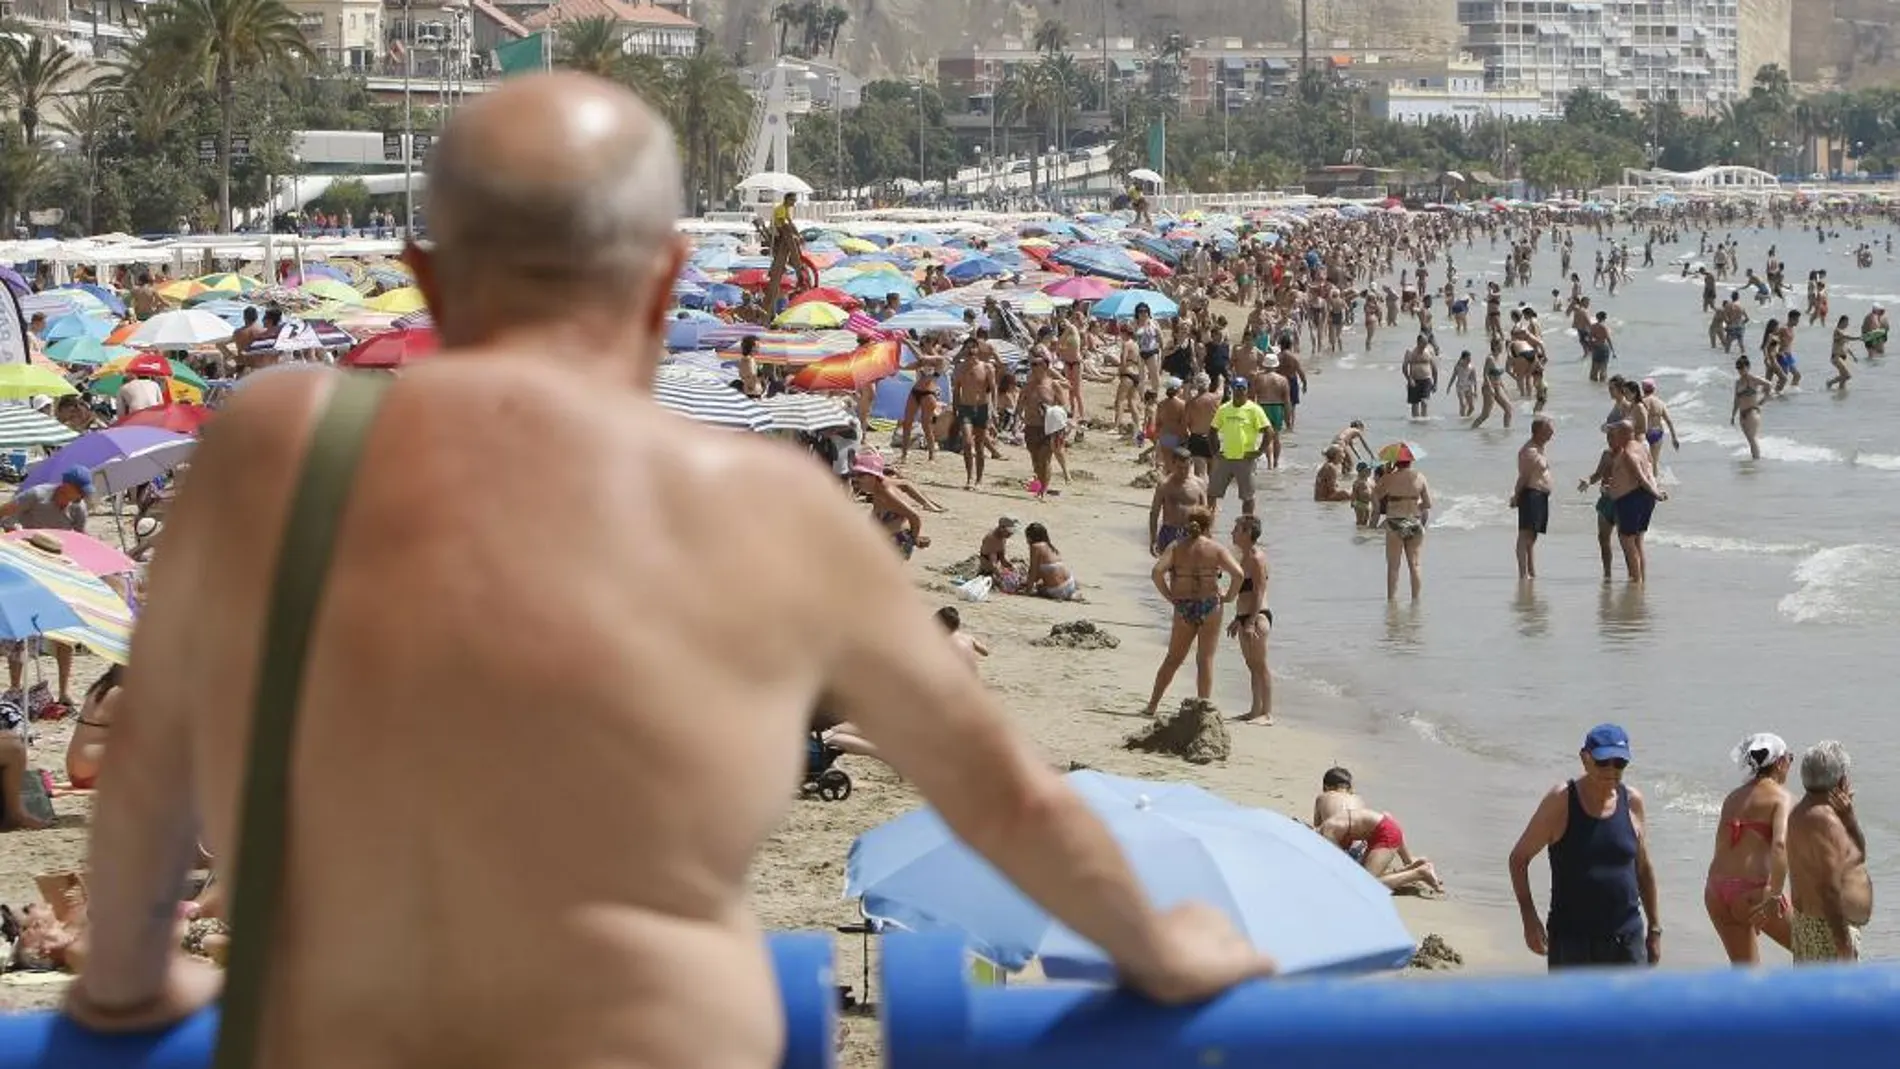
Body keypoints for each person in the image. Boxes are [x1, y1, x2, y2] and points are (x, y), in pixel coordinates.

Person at [63, 75, 1274, 1055]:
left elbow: (156, 752)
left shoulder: (277, 446)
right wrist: (1160, 950)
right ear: (659, 282)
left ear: (428, 280)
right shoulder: (766, 508)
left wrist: (121, 985)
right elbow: (1004, 796)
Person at [1508, 724, 1660, 969]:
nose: (1612, 771)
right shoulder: (1561, 801)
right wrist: (1529, 917)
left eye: (1619, 763)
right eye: (1603, 762)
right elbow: (1519, 858)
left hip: (1627, 939)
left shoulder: (1632, 802)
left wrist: (1654, 929)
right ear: (1585, 759)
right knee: (1573, 1009)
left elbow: (1643, 869)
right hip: (1573, 942)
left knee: (1633, 1009)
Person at [1703, 733, 1794, 965]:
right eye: (1790, 759)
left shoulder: (1732, 797)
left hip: (1716, 893)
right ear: (1781, 762)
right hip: (1753, 892)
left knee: (1747, 977)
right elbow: (1780, 845)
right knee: (1820, 953)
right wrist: (1775, 893)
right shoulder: (1781, 798)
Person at [1143, 506, 1242, 717]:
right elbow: (1239, 574)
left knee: (1174, 658)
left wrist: (1170, 597)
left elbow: (1156, 573)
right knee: (1205, 659)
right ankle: (1203, 708)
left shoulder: (1176, 547)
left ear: (1187, 524)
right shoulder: (1216, 549)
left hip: (1184, 604)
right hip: (1210, 604)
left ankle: (1152, 705)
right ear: (1210, 525)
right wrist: (1230, 597)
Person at [1786, 741, 1873, 963]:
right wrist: (1843, 944)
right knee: (1841, 997)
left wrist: (1849, 819)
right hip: (1829, 932)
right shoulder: (1825, 820)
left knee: (1813, 996)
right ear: (1842, 780)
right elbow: (1829, 888)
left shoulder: (1801, 811)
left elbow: (1857, 856)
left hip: (1809, 926)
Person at [1315, 806, 1443, 894]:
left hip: (1385, 834)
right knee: (1363, 875)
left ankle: (1419, 873)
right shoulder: (1329, 826)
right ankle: (1412, 867)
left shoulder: (1328, 832)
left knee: (1367, 885)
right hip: (1380, 831)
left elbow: (1341, 862)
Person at [1604, 421, 1668, 583]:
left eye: (1617, 433)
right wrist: (1656, 491)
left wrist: (1657, 493)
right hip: (1645, 498)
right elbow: (1651, 472)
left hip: (1631, 499)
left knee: (1627, 541)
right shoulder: (1643, 447)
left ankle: (1636, 581)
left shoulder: (1628, 453)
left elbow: (1641, 478)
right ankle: (1640, 580)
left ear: (1626, 433)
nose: (1614, 437)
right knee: (1637, 542)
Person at [1227, 515, 1272, 725]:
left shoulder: (1256, 557)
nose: (1232, 532)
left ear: (1247, 533)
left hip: (1258, 616)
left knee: (1261, 665)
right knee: (1251, 665)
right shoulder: (1243, 557)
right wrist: (1238, 619)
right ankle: (1255, 710)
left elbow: (1259, 591)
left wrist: (1251, 621)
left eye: (1236, 529)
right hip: (1245, 616)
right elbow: (1242, 595)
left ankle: (1267, 713)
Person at [1207, 379, 1270, 519]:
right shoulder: (1224, 409)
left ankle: (1247, 523)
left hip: (1245, 460)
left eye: (1243, 388)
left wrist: (1259, 451)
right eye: (1237, 388)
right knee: (1212, 493)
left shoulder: (1254, 409)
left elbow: (1268, 431)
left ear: (1247, 390)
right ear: (1232, 389)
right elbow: (1212, 431)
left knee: (1247, 497)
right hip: (1225, 458)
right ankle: (1209, 522)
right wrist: (1215, 452)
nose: (1240, 391)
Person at [1374, 453, 1432, 600]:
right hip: (1414, 522)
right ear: (1411, 461)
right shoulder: (1420, 476)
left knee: (1394, 567)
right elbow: (1428, 504)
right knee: (1415, 565)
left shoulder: (1390, 477)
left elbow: (1376, 494)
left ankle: (1392, 601)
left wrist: (1386, 474)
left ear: (1395, 461)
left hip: (1395, 522)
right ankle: (1416, 601)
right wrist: (1415, 506)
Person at [1511, 416, 1555, 581]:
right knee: (1525, 535)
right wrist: (1516, 497)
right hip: (1531, 494)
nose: (1552, 434)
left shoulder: (1540, 448)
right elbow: (1523, 477)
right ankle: (1523, 574)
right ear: (1538, 432)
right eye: (1549, 431)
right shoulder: (1529, 451)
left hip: (1540, 496)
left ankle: (1531, 571)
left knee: (1533, 536)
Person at [1149, 447, 1208, 557]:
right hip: (1169, 531)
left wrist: (1207, 537)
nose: (1183, 471)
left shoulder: (1199, 484)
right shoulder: (1164, 485)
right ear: (1172, 463)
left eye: (1186, 467)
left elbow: (1205, 514)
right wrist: (1153, 539)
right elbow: (1154, 512)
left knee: (1188, 571)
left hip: (1192, 531)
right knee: (1168, 569)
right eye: (1179, 467)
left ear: (1191, 463)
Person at [1023, 522, 1077, 601]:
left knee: (1040, 587)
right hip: (1070, 584)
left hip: (1058, 590)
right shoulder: (1050, 547)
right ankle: (1071, 595)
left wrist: (1028, 590)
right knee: (1041, 582)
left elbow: (1033, 571)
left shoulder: (1035, 547)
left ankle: (1061, 595)